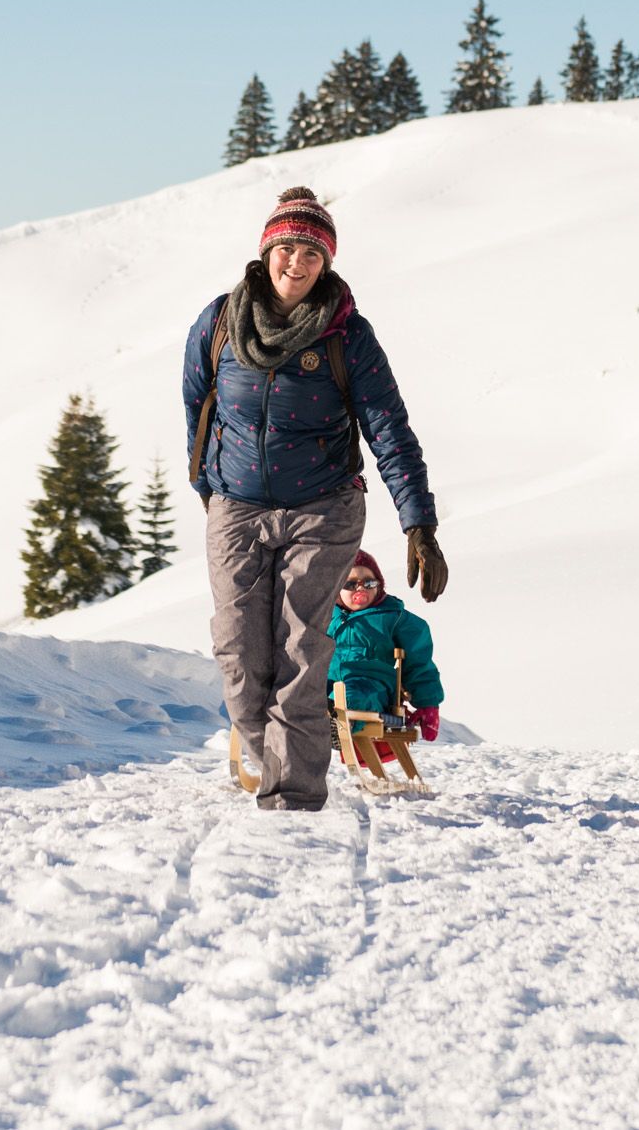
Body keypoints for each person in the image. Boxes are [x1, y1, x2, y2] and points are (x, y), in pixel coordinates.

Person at [183, 187, 445, 811]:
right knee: (240, 654)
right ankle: (272, 759)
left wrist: (419, 524)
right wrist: (211, 489)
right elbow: (198, 410)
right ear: (265, 251)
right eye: (286, 248)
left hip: (323, 507)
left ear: (327, 262)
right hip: (237, 507)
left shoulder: (347, 336)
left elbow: (389, 429)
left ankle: (293, 800)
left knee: (302, 652)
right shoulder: (221, 320)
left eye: (311, 252)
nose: (296, 263)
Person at [328, 548, 444, 741]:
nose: (361, 588)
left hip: (372, 687)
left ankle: (335, 728)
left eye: (369, 582)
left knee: (352, 695)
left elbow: (419, 661)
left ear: (379, 585)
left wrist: (428, 703)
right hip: (328, 684)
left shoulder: (391, 616)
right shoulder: (325, 615)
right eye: (350, 584)